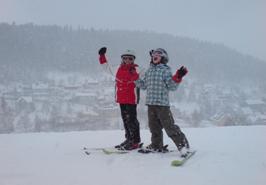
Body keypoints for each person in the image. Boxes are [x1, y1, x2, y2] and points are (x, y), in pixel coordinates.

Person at [135, 48, 190, 156]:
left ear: (163, 58)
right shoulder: (149, 71)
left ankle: (183, 146)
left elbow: (172, 86)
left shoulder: (165, 70)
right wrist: (135, 78)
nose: (155, 56)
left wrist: (177, 77)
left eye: (158, 54)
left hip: (162, 105)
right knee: (153, 127)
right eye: (154, 54)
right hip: (151, 104)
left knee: (169, 127)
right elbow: (144, 85)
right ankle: (156, 145)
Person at [98, 47, 141, 150]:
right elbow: (106, 67)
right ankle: (129, 138)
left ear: (133, 60)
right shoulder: (117, 68)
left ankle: (135, 141)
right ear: (122, 59)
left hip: (132, 98)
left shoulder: (137, 69)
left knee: (132, 120)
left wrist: (152, 61)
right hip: (121, 98)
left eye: (130, 59)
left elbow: (148, 73)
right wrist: (102, 56)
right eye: (125, 58)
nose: (127, 60)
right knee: (125, 120)